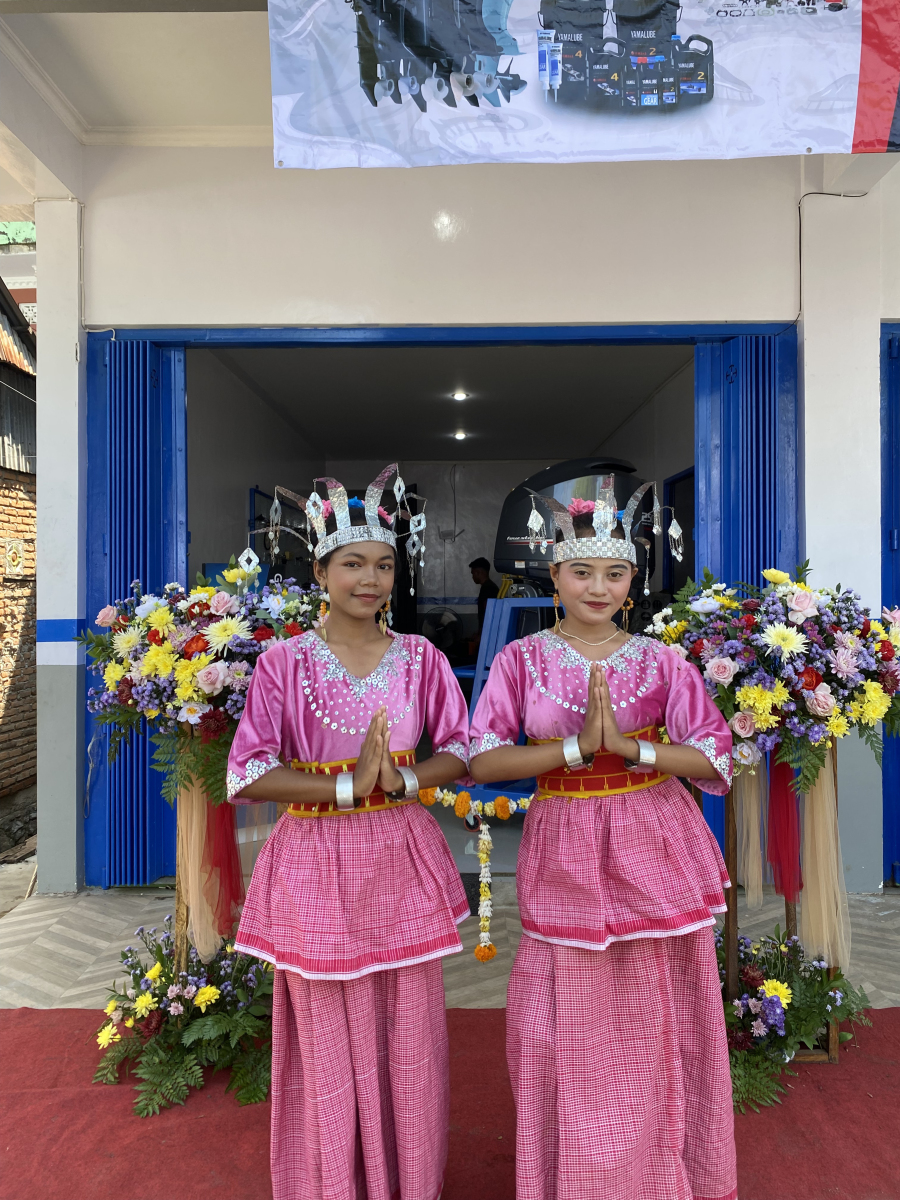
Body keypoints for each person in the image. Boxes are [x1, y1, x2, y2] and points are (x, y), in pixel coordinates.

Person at [468, 478, 737, 1200]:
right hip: (565, 839)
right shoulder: (522, 661)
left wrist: (632, 749)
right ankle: (579, 1173)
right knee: (565, 1018)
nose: (598, 587)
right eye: (581, 572)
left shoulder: (661, 661)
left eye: (614, 573)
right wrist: (575, 750)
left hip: (653, 836)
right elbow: (483, 760)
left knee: (658, 1006)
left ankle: (661, 1169)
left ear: (633, 580)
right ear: (554, 575)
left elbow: (715, 756)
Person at [227, 466, 470, 1200]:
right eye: (354, 564)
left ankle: (410, 1182)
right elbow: (248, 772)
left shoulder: (423, 658)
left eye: (384, 565)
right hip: (313, 858)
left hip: (400, 852)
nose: (371, 579)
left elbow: (460, 750)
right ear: (320, 571)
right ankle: (333, 1182)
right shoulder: (283, 662)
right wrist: (344, 786)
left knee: (410, 1028)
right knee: (327, 1028)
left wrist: (404, 780)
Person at [469, 555, 499, 633]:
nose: (472, 577)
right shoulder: (488, 587)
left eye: (473, 573)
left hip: (488, 632)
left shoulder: (488, 588)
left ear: (479, 572)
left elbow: (488, 613)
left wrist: (481, 633)